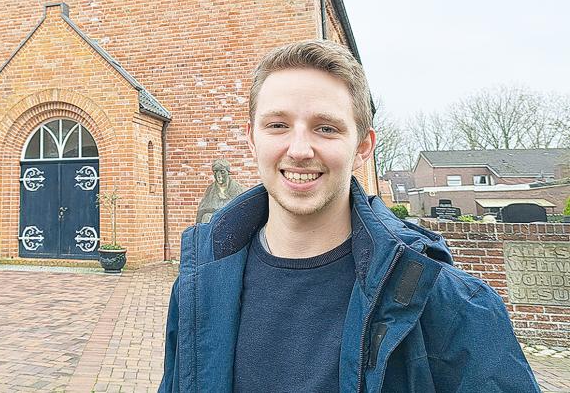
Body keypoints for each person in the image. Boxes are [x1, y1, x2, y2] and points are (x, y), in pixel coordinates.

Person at [159, 40, 539, 392]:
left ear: (363, 147)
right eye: (278, 125)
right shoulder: (200, 286)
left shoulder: (448, 303)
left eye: (326, 128)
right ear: (251, 138)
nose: (300, 149)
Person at [196, 159, 245, 224]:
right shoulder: (210, 190)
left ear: (228, 172)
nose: (218, 175)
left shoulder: (239, 189)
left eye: (222, 172)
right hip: (214, 223)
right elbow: (201, 210)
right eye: (215, 172)